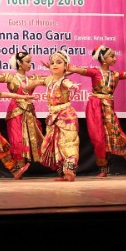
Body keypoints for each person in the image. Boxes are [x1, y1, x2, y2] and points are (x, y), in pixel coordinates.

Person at [66, 46, 126, 177]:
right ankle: (103, 169)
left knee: (118, 137)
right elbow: (76, 69)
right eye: (112, 56)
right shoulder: (94, 72)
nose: (115, 58)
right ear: (104, 59)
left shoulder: (115, 75)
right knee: (99, 139)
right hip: (94, 107)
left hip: (108, 110)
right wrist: (64, 68)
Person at [0, 50, 46, 172]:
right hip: (16, 111)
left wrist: (64, 70)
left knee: (36, 138)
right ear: (19, 63)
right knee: (17, 138)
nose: (30, 64)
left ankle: (52, 165)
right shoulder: (10, 77)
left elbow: (52, 79)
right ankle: (18, 167)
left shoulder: (33, 78)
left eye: (31, 62)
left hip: (29, 112)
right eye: (27, 62)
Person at [39, 50, 82, 181]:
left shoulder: (64, 81)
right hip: (53, 117)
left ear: (66, 66)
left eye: (59, 62)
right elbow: (36, 81)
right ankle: (64, 173)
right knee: (52, 145)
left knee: (68, 143)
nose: (54, 64)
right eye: (52, 63)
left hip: (66, 116)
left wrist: (72, 86)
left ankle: (70, 169)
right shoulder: (49, 80)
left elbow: (67, 83)